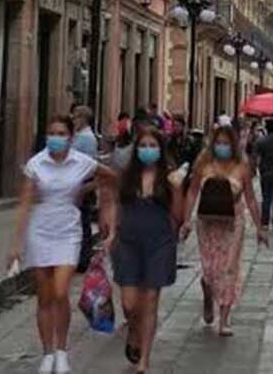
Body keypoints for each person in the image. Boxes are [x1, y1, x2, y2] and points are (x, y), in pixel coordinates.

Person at [7, 115, 118, 374]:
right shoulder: (36, 163)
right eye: (51, 133)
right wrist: (16, 243)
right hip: (40, 231)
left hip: (68, 232)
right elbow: (25, 204)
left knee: (60, 291)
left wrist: (92, 193)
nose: (55, 138)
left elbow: (111, 177)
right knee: (44, 297)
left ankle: (62, 350)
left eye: (60, 133)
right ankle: (47, 353)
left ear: (70, 137)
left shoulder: (82, 161)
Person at [108, 127, 184, 373]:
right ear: (136, 149)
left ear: (160, 150)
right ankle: (133, 329)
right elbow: (116, 206)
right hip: (128, 242)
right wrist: (110, 234)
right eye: (144, 145)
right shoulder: (127, 177)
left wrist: (177, 190)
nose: (148, 150)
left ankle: (144, 360)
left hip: (159, 243)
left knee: (150, 299)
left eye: (153, 146)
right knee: (130, 304)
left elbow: (178, 216)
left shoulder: (169, 178)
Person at [180, 125, 267, 337]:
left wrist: (259, 226)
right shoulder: (203, 164)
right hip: (207, 222)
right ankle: (207, 289)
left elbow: (251, 198)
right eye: (218, 143)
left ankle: (225, 318)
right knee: (210, 269)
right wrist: (186, 221)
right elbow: (192, 192)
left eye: (226, 143)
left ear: (233, 145)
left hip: (233, 222)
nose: (222, 147)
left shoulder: (242, 166)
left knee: (229, 269)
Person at [71, 106, 99, 273]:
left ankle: (83, 258)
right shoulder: (81, 137)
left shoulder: (86, 138)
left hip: (82, 184)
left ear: (83, 118)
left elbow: (87, 164)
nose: (73, 120)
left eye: (75, 117)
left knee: (83, 222)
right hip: (78, 183)